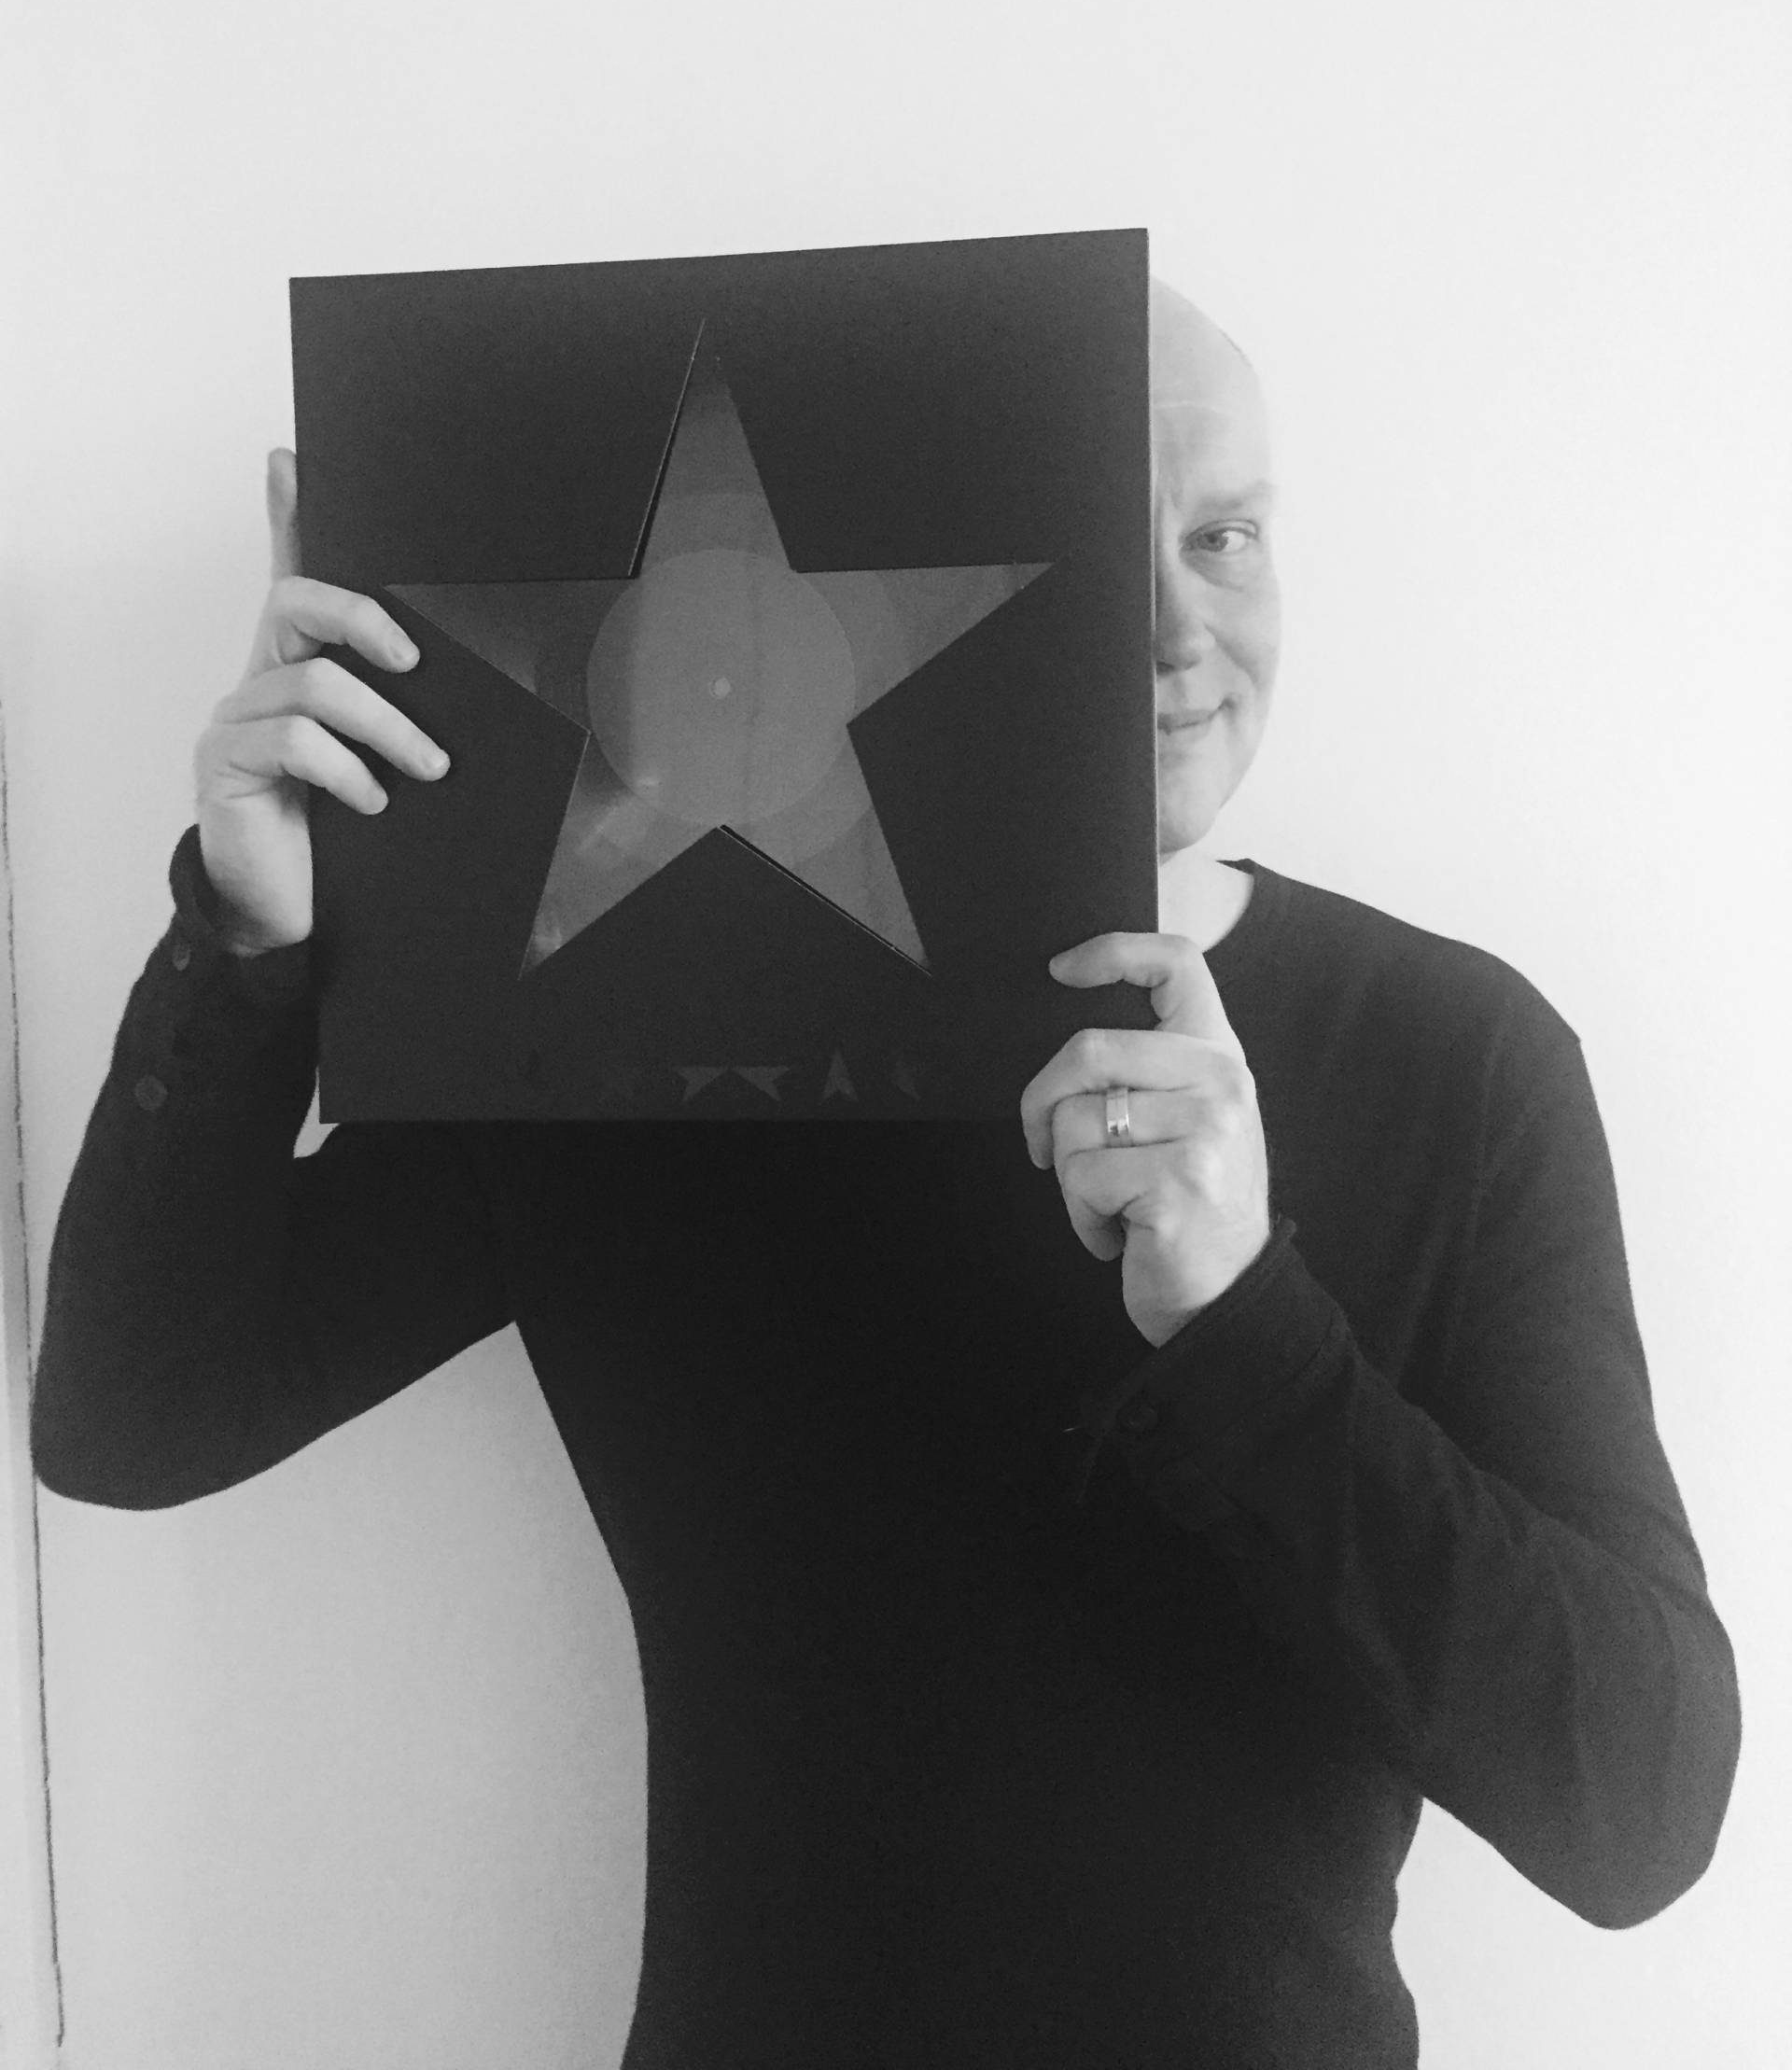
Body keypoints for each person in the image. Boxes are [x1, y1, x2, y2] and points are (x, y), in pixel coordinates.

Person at [31, 283, 1740, 2068]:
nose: (1179, 628)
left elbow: (1638, 1808)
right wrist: (246, 946)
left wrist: (1248, 1327)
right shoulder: (639, 1019)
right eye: (1100, 539)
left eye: (1228, 537)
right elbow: (134, 1414)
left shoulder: (1454, 1055)